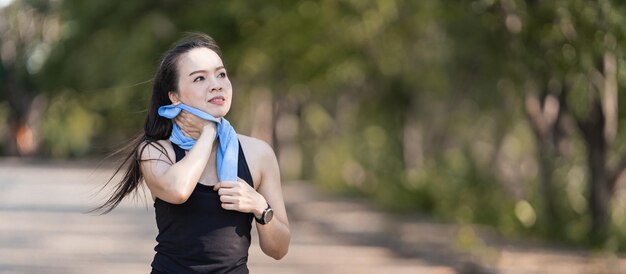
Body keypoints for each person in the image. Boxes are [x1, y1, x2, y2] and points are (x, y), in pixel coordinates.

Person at [95, 33, 290, 273]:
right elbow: (178, 190)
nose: (216, 84)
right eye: (199, 78)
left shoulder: (258, 153)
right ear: (174, 97)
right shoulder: (155, 151)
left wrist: (260, 206)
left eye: (221, 74)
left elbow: (278, 250)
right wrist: (208, 132)